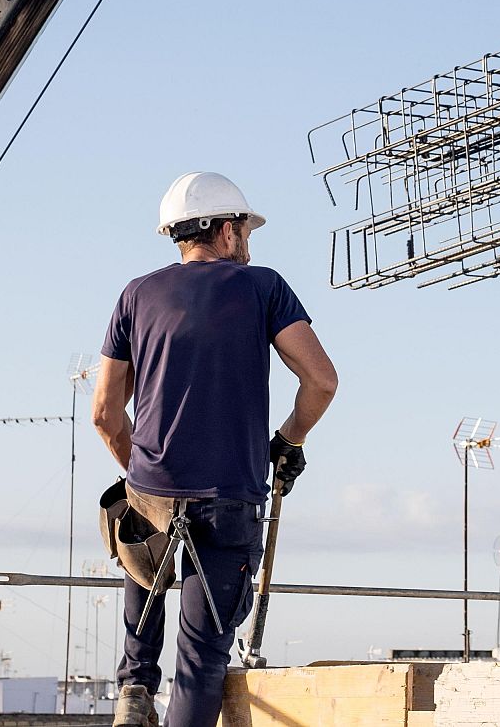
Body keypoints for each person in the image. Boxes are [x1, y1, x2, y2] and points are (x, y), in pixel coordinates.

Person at [93, 172, 337, 727]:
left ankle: (133, 692)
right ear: (226, 230)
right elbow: (321, 382)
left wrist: (143, 473)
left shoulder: (136, 294)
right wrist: (288, 442)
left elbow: (105, 415)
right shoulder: (263, 288)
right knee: (201, 663)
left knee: (143, 596)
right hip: (229, 497)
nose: (249, 242)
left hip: (151, 492)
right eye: (246, 229)